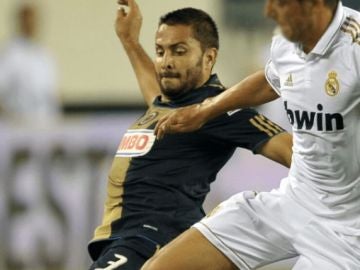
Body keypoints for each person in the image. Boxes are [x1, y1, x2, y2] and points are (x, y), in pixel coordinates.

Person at [143, 0, 360, 269]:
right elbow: (270, 80)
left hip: (348, 230)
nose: (269, 11)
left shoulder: (355, 48)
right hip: (294, 200)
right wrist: (204, 110)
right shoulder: (287, 42)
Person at [88, 0, 293, 269]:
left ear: (209, 57)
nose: (166, 62)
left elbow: (294, 152)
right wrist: (129, 41)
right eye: (160, 51)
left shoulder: (216, 110)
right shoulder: (168, 106)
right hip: (127, 241)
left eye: (179, 51)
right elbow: (157, 98)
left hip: (154, 241)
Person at [0, 2, 60, 120]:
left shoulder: (45, 56)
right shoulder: (10, 54)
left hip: (45, 123)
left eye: (33, 21)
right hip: (18, 127)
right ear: (20, 22)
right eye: (27, 21)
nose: (30, 25)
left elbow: (52, 96)